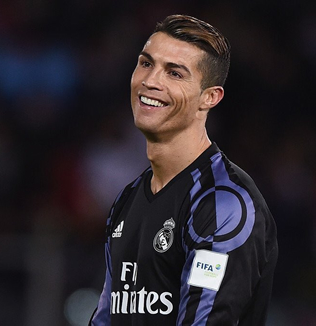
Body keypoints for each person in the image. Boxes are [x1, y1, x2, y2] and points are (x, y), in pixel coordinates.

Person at [89, 14, 278, 325]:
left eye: (174, 73)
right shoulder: (128, 199)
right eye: (146, 63)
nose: (150, 81)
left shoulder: (223, 202)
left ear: (210, 97)